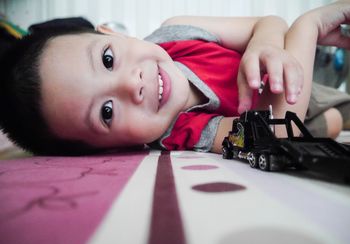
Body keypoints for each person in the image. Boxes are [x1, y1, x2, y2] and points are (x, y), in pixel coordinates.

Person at [0, 1, 350, 156]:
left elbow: (266, 22)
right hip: (291, 108)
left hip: (298, 72)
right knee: (329, 127)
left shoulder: (176, 33)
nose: (130, 85)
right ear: (115, 148)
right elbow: (277, 135)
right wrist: (309, 25)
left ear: (112, 33)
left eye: (108, 59)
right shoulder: (179, 134)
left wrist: (267, 44)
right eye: (106, 112)